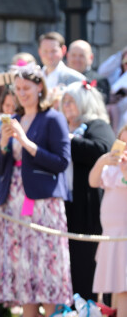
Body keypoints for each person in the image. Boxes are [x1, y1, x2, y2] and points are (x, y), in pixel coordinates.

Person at [0, 64, 72, 316]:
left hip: (43, 202)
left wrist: (26, 142)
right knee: (24, 269)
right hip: (14, 201)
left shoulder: (53, 118)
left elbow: (61, 161)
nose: (22, 93)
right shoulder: (13, 119)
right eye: (18, 88)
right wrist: (3, 144)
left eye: (27, 88)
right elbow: (0, 168)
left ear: (40, 88)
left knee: (47, 269)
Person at [60, 81, 115, 302]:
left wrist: (68, 142)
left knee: (85, 262)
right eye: (64, 101)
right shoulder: (66, 128)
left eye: (72, 101)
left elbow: (103, 149)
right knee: (72, 261)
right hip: (69, 203)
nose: (67, 106)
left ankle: (89, 307)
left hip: (88, 206)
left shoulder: (97, 125)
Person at [88, 125, 127, 316]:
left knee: (123, 288)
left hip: (124, 237)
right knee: (114, 287)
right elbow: (93, 181)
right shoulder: (111, 168)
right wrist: (102, 161)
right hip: (110, 235)